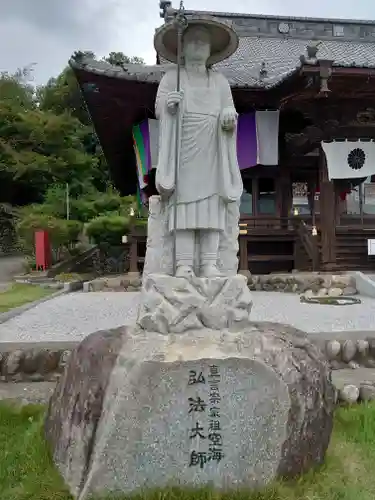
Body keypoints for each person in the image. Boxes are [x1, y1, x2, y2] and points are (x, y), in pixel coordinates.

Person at [154, 17, 243, 278]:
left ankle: (210, 263)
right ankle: (183, 264)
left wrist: (228, 117)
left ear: (210, 49)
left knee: (212, 209)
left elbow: (229, 108)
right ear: (183, 47)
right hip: (183, 149)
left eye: (203, 43)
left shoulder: (219, 81)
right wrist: (170, 106)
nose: (198, 46)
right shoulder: (172, 78)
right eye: (192, 41)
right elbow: (160, 107)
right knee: (183, 207)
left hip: (213, 149)